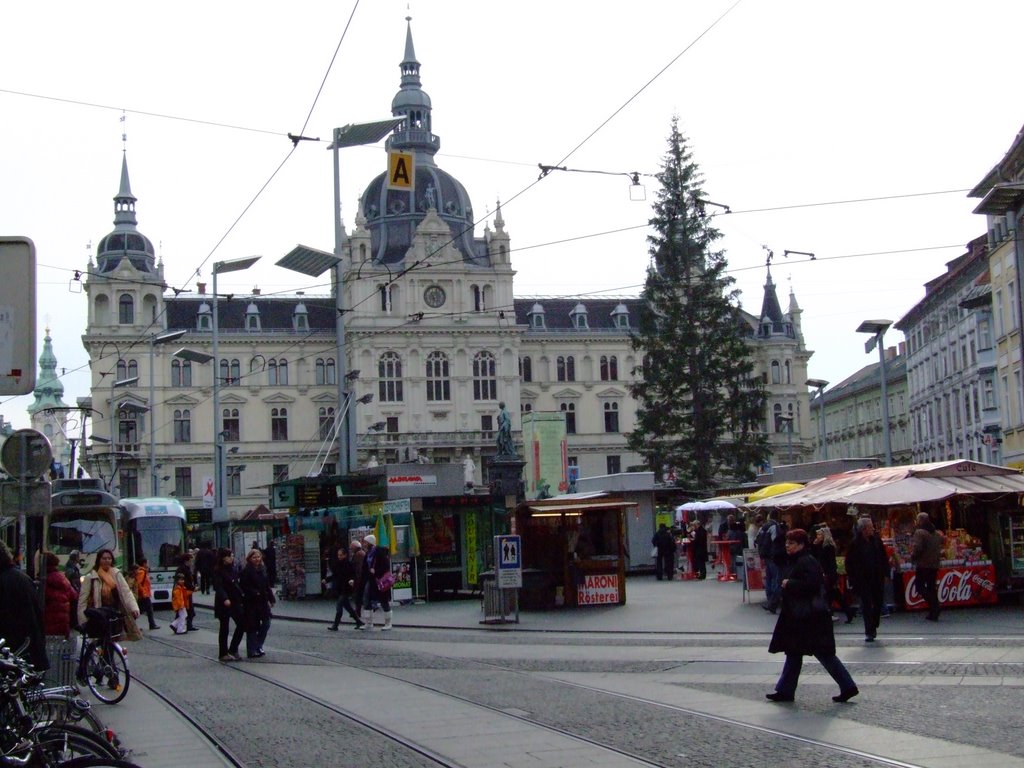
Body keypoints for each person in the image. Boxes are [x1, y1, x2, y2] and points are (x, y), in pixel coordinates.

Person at [766, 529, 859, 704]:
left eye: (792, 543)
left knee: (823, 653)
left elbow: (813, 584)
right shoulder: (797, 559)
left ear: (801, 545)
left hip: (809, 617)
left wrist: (789, 583)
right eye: (787, 542)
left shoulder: (806, 561)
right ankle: (785, 690)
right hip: (801, 616)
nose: (787, 546)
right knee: (794, 653)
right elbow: (776, 553)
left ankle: (847, 686)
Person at [0, 541, 48, 671]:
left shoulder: (5, 580)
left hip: (13, 652)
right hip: (28, 651)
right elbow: (37, 616)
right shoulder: (23, 578)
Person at [78, 548, 142, 643]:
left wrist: (134, 608)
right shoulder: (90, 577)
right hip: (97, 614)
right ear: (98, 560)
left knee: (111, 641)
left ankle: (108, 657)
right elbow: (82, 601)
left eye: (109, 558)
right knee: (100, 641)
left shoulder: (116, 574)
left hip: (113, 613)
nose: (107, 561)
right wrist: (82, 621)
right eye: (104, 558)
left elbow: (126, 592)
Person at [845, 516, 889, 642]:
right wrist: (853, 578)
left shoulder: (876, 540)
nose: (873, 529)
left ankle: (874, 623)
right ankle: (869, 631)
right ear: (863, 529)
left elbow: (883, 556)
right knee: (866, 604)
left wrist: (885, 572)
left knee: (878, 602)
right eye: (870, 527)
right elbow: (850, 563)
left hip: (877, 577)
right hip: (862, 579)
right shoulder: (855, 543)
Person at [812, 526, 854, 623]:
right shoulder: (822, 546)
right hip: (827, 574)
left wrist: (830, 574)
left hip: (828, 574)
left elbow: (830, 563)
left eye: (819, 535)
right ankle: (847, 612)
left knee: (828, 595)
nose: (817, 536)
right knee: (834, 595)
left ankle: (829, 614)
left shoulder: (828, 547)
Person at [240, 548, 275, 658]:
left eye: (258, 557)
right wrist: (254, 592)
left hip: (263, 601)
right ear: (249, 559)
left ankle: (258, 645)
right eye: (254, 557)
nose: (257, 559)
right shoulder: (246, 571)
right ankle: (252, 650)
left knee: (266, 623)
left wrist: (271, 598)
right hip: (251, 602)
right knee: (252, 626)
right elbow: (244, 586)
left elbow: (267, 585)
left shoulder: (263, 569)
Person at [212, 548, 245, 660]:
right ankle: (223, 653)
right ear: (222, 558)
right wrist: (225, 598)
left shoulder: (233, 569)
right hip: (224, 602)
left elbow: (236, 583)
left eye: (232, 555)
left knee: (242, 624)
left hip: (235, 600)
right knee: (224, 628)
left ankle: (233, 649)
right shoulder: (218, 570)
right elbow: (218, 586)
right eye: (229, 556)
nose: (231, 557)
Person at [911, 512, 944, 622]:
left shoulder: (920, 533)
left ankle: (934, 606)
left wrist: (913, 556)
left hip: (923, 564)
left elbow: (918, 548)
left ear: (920, 520)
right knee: (931, 587)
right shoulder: (936, 533)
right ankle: (933, 611)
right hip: (934, 564)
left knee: (919, 586)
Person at [357, 534, 393, 631]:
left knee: (383, 600)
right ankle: (368, 622)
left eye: (365, 542)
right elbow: (365, 567)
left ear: (370, 543)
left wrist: (375, 571)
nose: (364, 544)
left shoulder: (379, 551)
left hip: (380, 580)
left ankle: (388, 623)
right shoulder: (367, 553)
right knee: (366, 599)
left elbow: (385, 566)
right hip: (371, 580)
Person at [325, 545, 364, 630]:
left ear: (345, 555)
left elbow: (353, 574)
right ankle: (358, 621)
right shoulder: (338, 564)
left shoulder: (349, 564)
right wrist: (327, 580)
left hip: (346, 588)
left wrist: (352, 580)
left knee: (339, 606)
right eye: (338, 555)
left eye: (341, 555)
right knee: (348, 607)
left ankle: (335, 625)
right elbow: (335, 575)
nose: (339, 557)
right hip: (340, 588)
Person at [757, 511, 788, 612]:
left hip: (765, 555)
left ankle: (769, 598)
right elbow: (776, 540)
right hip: (773, 556)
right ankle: (773, 601)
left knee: (769, 577)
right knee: (776, 578)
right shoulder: (774, 526)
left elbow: (757, 540)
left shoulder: (763, 526)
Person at [43, 552, 79, 638]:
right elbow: (74, 596)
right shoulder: (62, 578)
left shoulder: (44, 580)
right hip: (63, 623)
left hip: (48, 624)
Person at [174, 552, 198, 631]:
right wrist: (192, 587)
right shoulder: (182, 569)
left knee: (187, 609)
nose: (192, 562)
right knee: (185, 609)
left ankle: (184, 625)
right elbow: (183, 581)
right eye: (191, 560)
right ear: (186, 560)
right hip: (183, 592)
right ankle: (177, 625)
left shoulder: (186, 568)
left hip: (186, 591)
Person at [134, 557, 159, 630]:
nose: (148, 565)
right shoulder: (142, 572)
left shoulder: (143, 571)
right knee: (148, 610)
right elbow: (139, 583)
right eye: (147, 563)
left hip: (144, 594)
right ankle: (152, 625)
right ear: (144, 563)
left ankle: (132, 626)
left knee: (142, 610)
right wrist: (143, 592)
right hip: (143, 595)